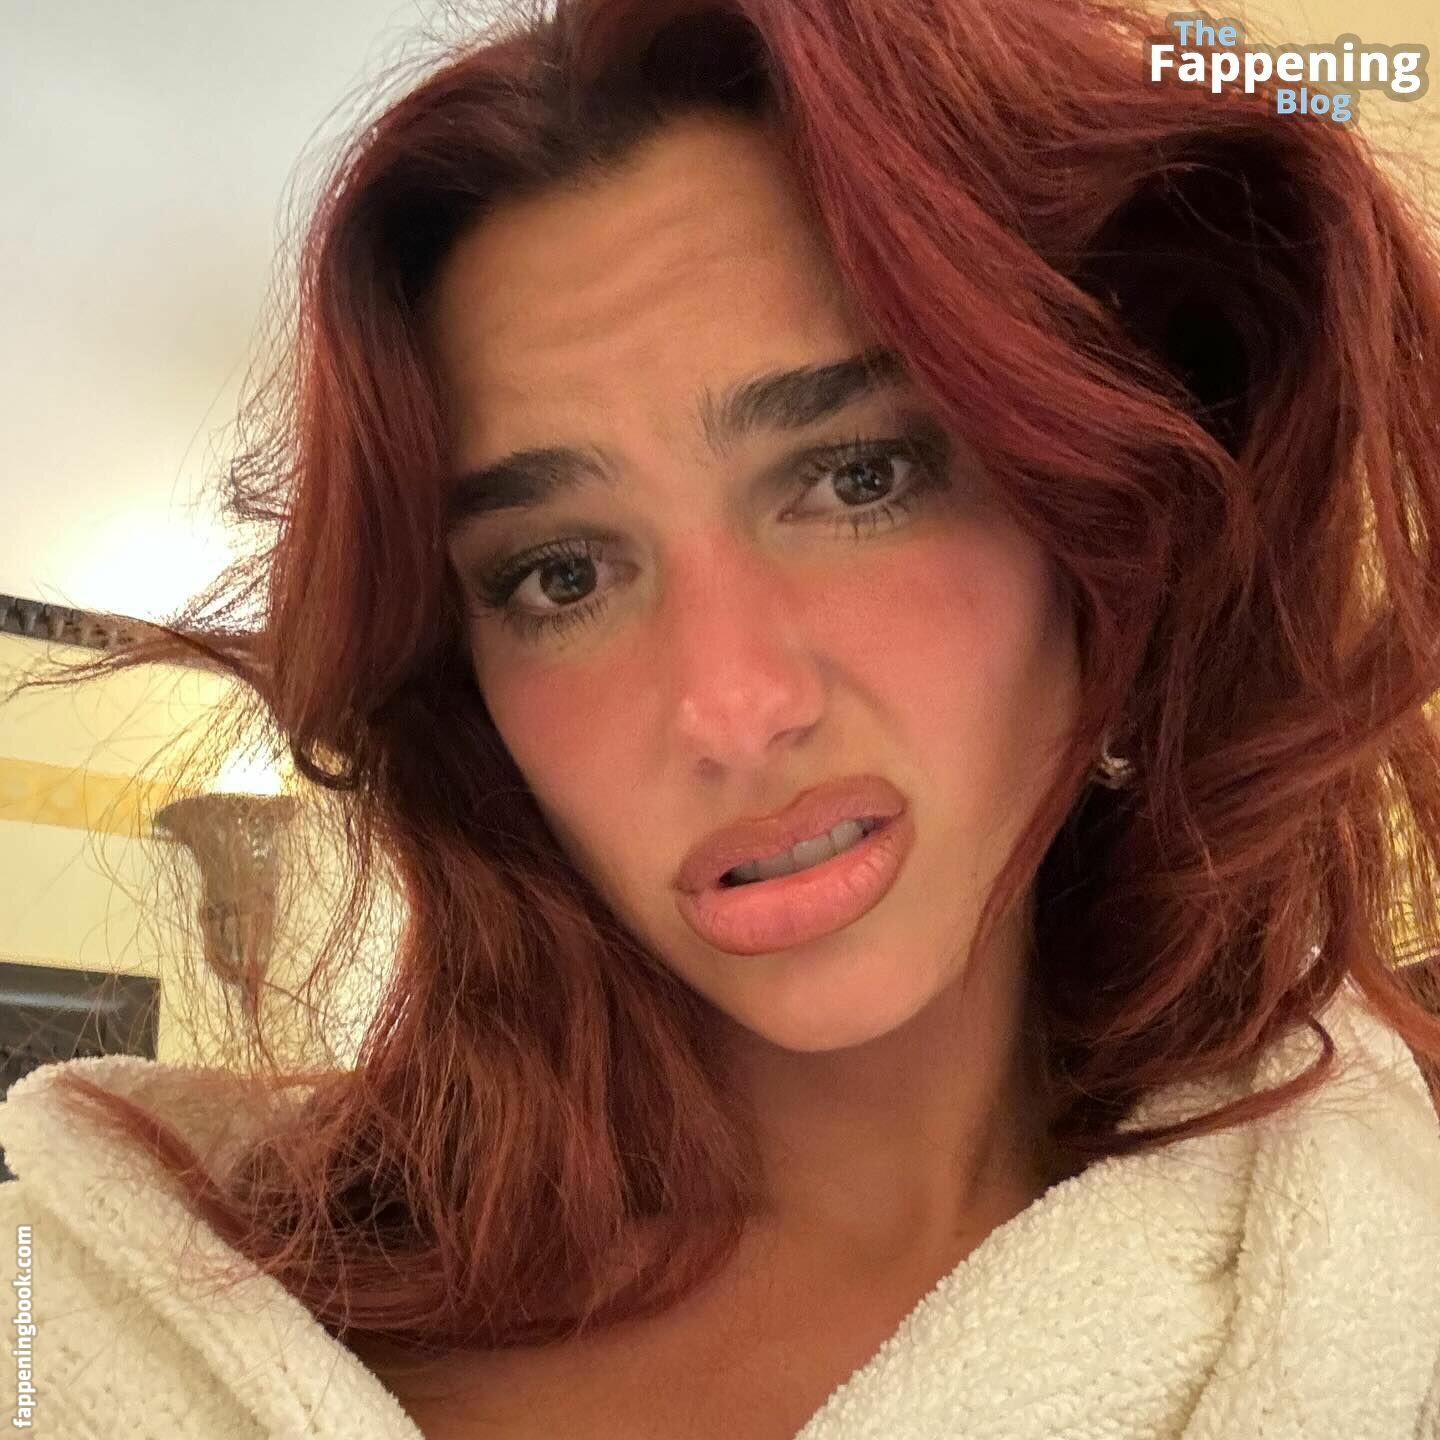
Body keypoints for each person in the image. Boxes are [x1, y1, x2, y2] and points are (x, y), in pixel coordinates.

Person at [3, 0, 1440, 1435]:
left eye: (858, 477)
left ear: (1109, 529)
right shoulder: (126, 1321)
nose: (729, 711)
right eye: (563, 574)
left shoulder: (1371, 1259)